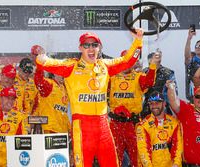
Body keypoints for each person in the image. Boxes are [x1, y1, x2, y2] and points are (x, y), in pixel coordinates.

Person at [35, 28, 144, 167]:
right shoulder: (71, 66)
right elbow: (43, 62)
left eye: (94, 45)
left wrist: (138, 40)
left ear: (99, 47)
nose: (91, 48)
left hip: (103, 125)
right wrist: (41, 57)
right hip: (82, 126)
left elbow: (128, 61)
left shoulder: (105, 66)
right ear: (80, 48)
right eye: (86, 45)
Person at [108, 50, 156, 167]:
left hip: (133, 124)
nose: (127, 64)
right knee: (114, 157)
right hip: (115, 124)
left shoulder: (138, 77)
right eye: (125, 61)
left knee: (137, 158)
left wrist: (153, 66)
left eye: (130, 61)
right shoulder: (111, 78)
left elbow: (149, 82)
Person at [167, 81, 200, 166]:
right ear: (193, 98)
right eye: (197, 96)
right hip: (192, 164)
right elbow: (173, 101)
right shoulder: (187, 110)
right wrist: (171, 88)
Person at [136, 91, 183, 167]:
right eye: (151, 103)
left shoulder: (174, 123)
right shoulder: (143, 125)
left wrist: (176, 164)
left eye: (157, 103)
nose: (154, 106)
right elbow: (143, 151)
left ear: (164, 103)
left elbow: (178, 146)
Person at [33, 69, 70, 134]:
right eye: (61, 73)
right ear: (54, 73)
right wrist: (39, 67)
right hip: (50, 128)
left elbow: (64, 111)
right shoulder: (49, 84)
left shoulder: (64, 88)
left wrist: (69, 128)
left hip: (63, 129)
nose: (63, 75)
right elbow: (38, 81)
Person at [142, 50, 177, 118]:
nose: (155, 61)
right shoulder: (143, 72)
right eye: (153, 59)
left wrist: (170, 87)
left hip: (164, 108)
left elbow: (174, 94)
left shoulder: (168, 73)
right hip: (147, 108)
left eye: (157, 58)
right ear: (149, 61)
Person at [184, 27, 200, 100]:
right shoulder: (191, 61)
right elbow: (187, 56)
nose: (199, 47)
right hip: (194, 97)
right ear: (195, 50)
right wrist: (189, 38)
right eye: (197, 46)